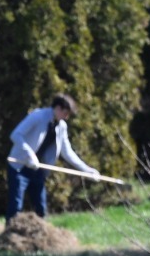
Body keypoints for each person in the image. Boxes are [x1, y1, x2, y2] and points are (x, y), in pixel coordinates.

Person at [6, 92, 97, 221]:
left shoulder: (61, 126)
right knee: (16, 206)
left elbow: (67, 152)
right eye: (65, 113)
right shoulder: (38, 116)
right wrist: (30, 155)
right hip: (19, 166)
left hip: (37, 169)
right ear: (58, 108)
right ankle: (9, 237)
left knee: (41, 208)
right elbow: (16, 134)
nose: (66, 117)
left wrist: (86, 170)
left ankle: (41, 238)